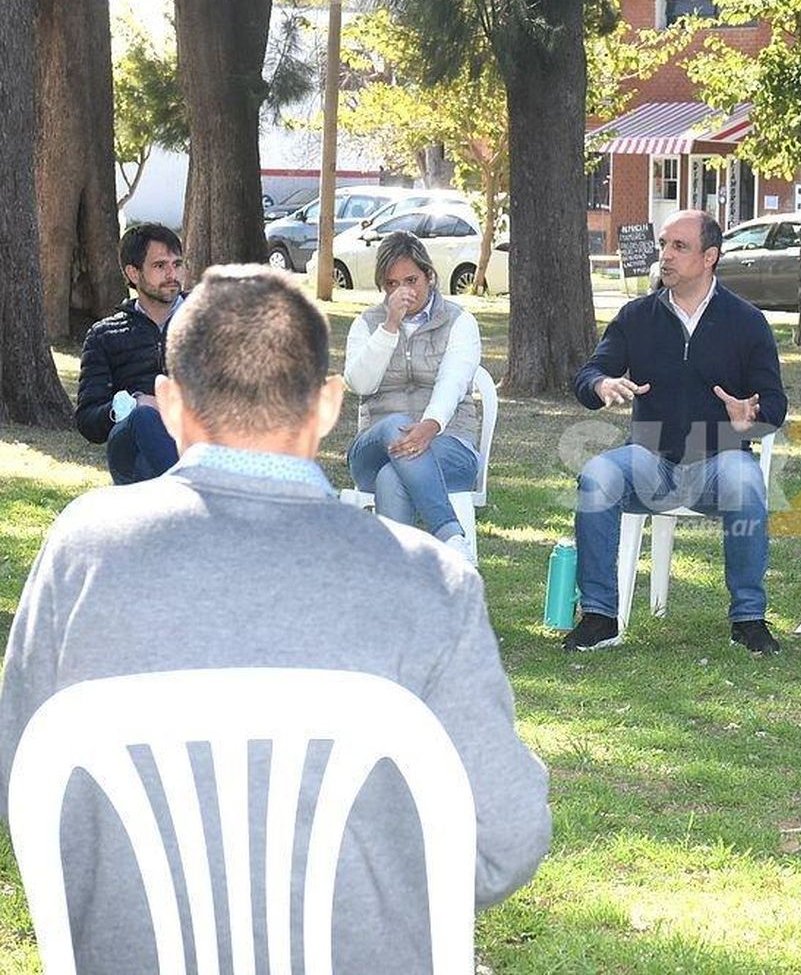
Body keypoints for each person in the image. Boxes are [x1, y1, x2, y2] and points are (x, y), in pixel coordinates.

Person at [0, 265, 550, 974]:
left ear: (167, 404)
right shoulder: (430, 584)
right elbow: (506, 837)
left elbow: (24, 782)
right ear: (325, 407)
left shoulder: (82, 554)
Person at [565, 209, 788, 654]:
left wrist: (752, 415)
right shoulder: (637, 317)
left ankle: (748, 619)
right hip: (649, 461)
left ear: (710, 257)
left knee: (747, 482)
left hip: (720, 462)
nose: (665, 255)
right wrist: (601, 383)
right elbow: (587, 376)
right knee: (597, 476)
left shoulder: (746, 322)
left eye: (679, 247)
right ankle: (599, 616)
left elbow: (774, 404)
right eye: (664, 244)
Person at [344, 231, 484, 564]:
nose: (404, 291)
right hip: (374, 449)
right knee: (395, 427)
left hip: (449, 446)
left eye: (411, 280)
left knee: (393, 478)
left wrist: (431, 425)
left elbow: (453, 381)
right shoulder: (367, 324)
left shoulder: (460, 322)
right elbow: (360, 384)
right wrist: (390, 326)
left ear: (430, 277)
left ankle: (399, 584)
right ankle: (451, 536)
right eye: (392, 284)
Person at [75, 223, 186, 484]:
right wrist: (131, 403)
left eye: (177, 264)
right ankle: (190, 495)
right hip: (131, 442)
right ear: (134, 273)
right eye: (160, 266)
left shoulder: (210, 320)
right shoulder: (105, 335)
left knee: (150, 467)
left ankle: (176, 495)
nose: (172, 274)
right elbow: (88, 421)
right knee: (143, 417)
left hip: (195, 440)